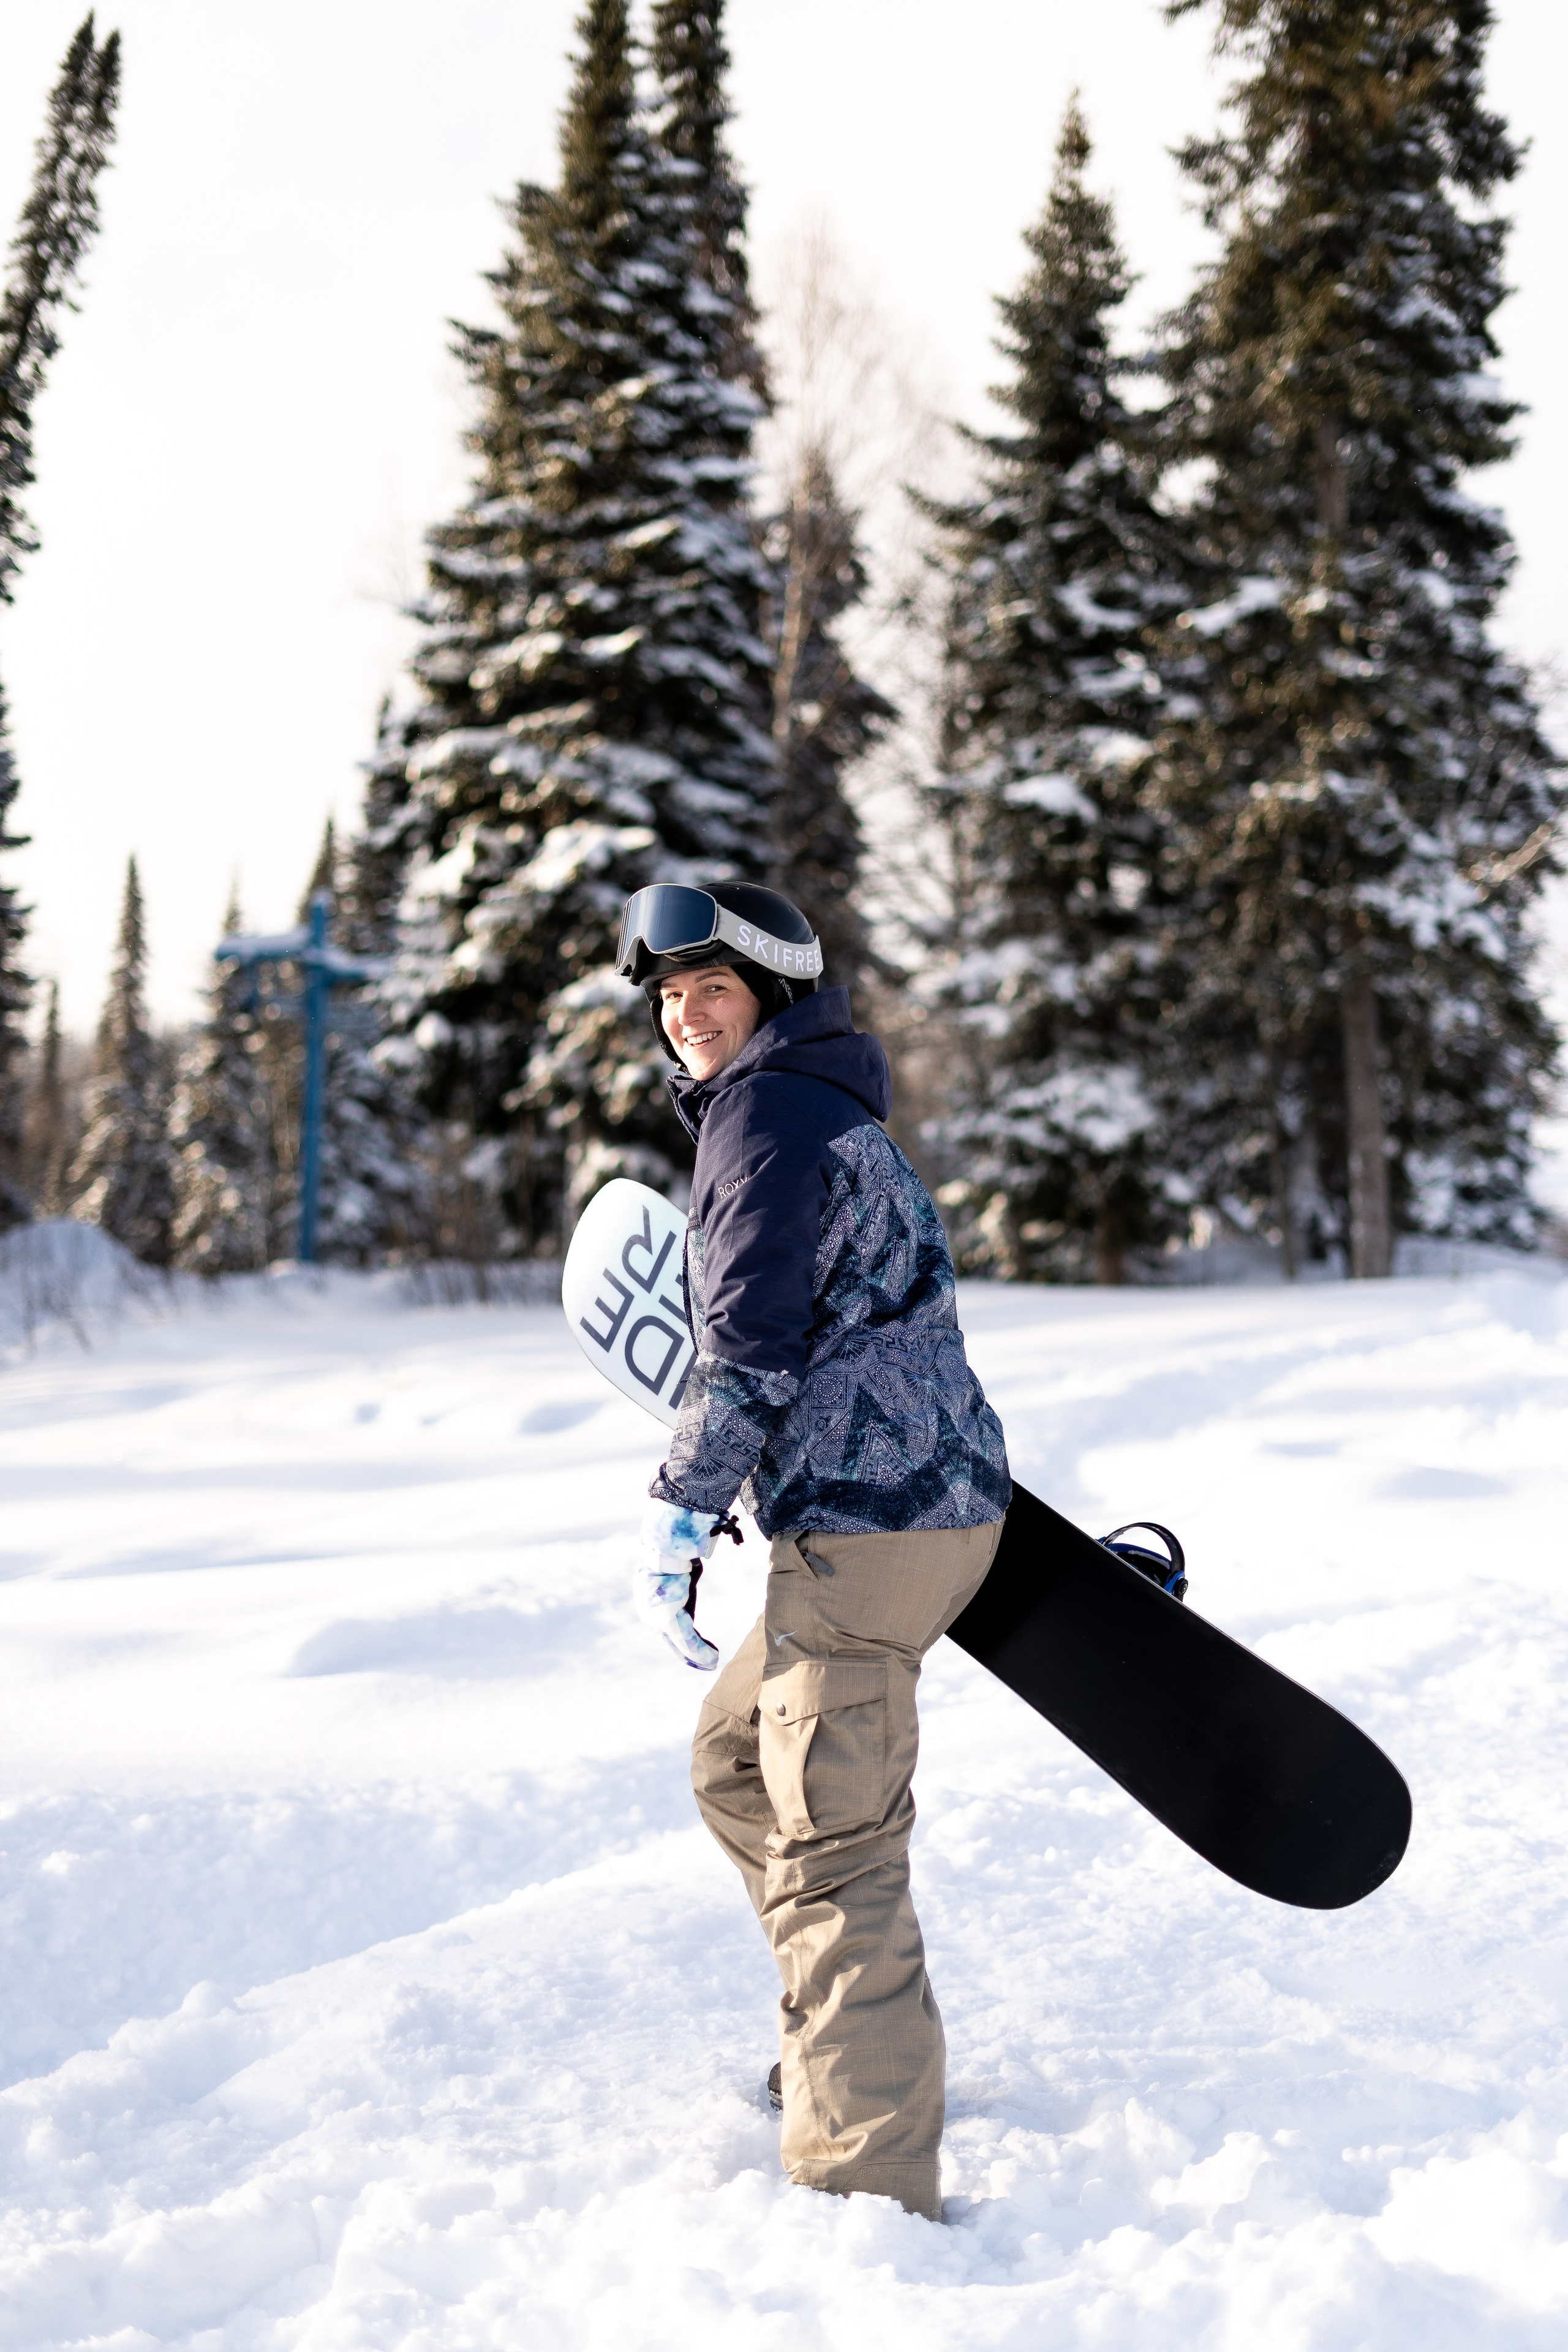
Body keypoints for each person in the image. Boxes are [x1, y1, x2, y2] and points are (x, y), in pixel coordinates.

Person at [616, 880, 1011, 2225]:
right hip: (942, 1511)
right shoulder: (827, 1107)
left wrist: (682, 1512)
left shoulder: (763, 1118)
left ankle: (866, 2183)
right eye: (667, 999)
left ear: (769, 995)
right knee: (737, 1764)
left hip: (864, 1531)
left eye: (708, 991)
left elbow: (747, 1343)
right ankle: (840, 2043)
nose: (682, 1018)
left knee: (835, 1850)